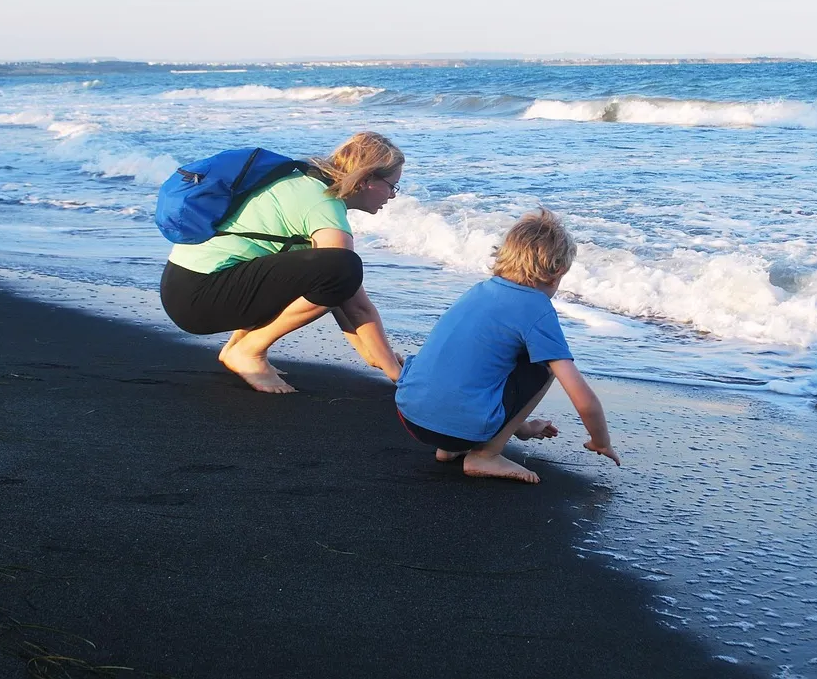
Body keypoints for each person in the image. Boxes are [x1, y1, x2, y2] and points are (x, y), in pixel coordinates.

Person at [160, 131, 404, 394]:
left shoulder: (304, 181)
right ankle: (249, 351)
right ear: (367, 179)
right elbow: (351, 296)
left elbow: (341, 295)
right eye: (392, 185)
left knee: (330, 270)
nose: (392, 196)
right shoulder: (323, 203)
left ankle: (240, 348)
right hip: (199, 297)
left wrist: (375, 355)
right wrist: (397, 375)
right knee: (344, 266)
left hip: (184, 286)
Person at [394, 208, 620, 484]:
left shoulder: (479, 290)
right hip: (457, 426)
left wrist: (522, 428)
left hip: (410, 415)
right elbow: (581, 395)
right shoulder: (536, 307)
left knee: (484, 360)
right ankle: (485, 455)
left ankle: (451, 449)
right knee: (545, 368)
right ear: (557, 272)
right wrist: (601, 440)